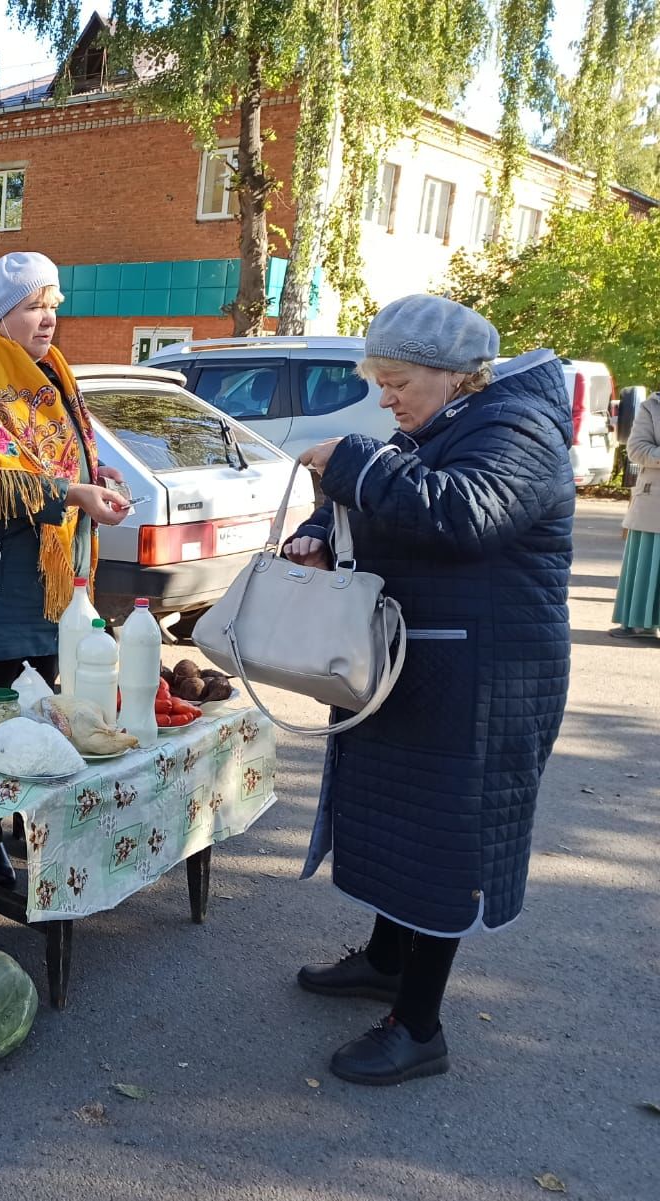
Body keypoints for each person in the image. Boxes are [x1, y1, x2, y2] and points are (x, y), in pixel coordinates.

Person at [281, 294, 573, 1085]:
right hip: (427, 662)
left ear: (451, 374)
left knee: (442, 838)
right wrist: (320, 529)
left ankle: (418, 1027)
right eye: (378, 379)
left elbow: (463, 514)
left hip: (485, 679)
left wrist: (352, 463)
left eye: (395, 378)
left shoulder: (519, 427)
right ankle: (385, 958)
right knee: (392, 813)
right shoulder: (451, 420)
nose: (384, 397)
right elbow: (392, 503)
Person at [0, 251, 130, 886]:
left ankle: (23, 821)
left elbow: (61, 458)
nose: (48, 319)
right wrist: (74, 494)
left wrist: (98, 478)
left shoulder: (46, 375)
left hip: (44, 582)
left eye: (53, 306)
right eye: (34, 306)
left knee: (41, 705)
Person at [611, 391, 660, 638]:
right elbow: (637, 449)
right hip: (655, 502)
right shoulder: (652, 405)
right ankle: (639, 624)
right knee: (648, 564)